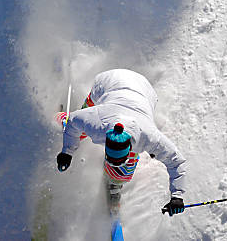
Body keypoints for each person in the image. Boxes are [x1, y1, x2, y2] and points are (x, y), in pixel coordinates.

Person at [56, 69, 187, 216]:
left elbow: (176, 161)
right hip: (108, 83)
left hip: (143, 90)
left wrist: (177, 196)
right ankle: (57, 117)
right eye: (111, 160)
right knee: (73, 129)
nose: (113, 162)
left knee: (123, 172)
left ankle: (114, 182)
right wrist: (67, 151)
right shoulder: (96, 123)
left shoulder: (148, 137)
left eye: (118, 160)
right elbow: (74, 120)